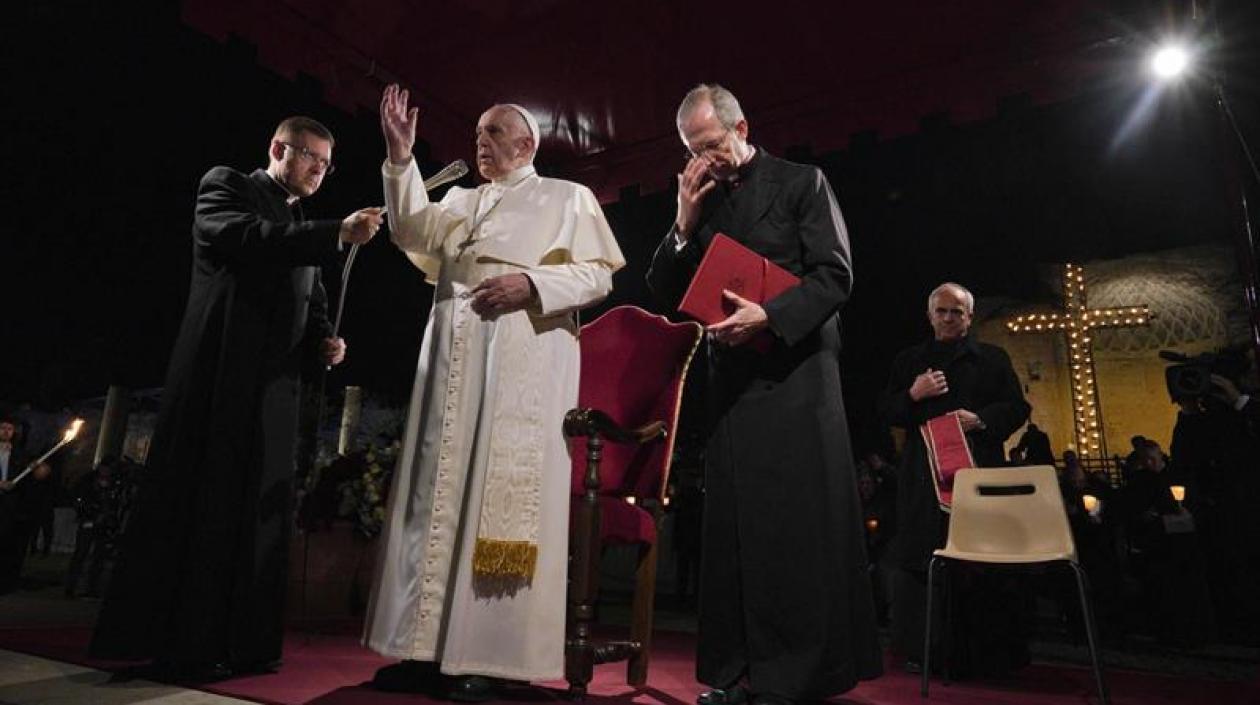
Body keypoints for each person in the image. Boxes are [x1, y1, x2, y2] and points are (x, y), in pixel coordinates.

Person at [91, 116, 382, 679]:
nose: (319, 173)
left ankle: (247, 642)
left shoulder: (299, 220)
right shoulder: (227, 186)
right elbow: (243, 239)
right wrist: (333, 232)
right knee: (210, 499)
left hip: (274, 388)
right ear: (279, 148)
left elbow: (310, 293)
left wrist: (325, 338)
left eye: (327, 166)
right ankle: (189, 644)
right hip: (219, 374)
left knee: (260, 512)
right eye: (310, 159)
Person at [364, 85, 625, 700]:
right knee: (437, 490)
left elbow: (597, 275)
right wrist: (400, 157)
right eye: (477, 135)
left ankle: (489, 655)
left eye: (494, 134)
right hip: (452, 354)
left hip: (521, 356)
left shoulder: (568, 197)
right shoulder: (461, 199)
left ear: (528, 142)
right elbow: (409, 231)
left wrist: (531, 285)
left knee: (495, 494)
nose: (481, 143)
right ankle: (422, 649)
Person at [646, 83, 881, 705]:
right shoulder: (699, 199)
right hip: (732, 388)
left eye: (714, 146)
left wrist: (770, 316)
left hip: (796, 379)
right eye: (694, 152)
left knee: (794, 533)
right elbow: (665, 289)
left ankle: (797, 678)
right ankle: (736, 671)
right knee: (734, 539)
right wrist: (682, 223)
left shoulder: (804, 182)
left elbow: (835, 274)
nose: (706, 161)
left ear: (743, 128)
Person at [876, 282, 1031, 676]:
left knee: (981, 561)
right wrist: (913, 394)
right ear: (929, 316)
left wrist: (980, 419)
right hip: (922, 479)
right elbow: (887, 412)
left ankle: (987, 655)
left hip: (979, 474)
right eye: (942, 311)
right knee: (921, 560)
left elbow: (1017, 408)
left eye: (957, 312)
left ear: (969, 317)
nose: (948, 318)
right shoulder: (909, 360)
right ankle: (921, 650)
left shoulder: (993, 358)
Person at [0, 413, 51, 593]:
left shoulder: (21, 454)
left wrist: (40, 470)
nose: (6, 432)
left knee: (6, 544)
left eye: (9, 428)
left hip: (9, 508)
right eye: (3, 428)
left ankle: (6, 583)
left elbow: (37, 474)